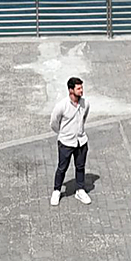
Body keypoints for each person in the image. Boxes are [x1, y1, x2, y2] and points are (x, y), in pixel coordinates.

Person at [49, 77, 91, 206]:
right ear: (71, 90)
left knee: (80, 166)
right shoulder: (62, 106)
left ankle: (80, 190)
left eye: (81, 88)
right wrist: (63, 134)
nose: (81, 91)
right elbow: (54, 123)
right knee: (62, 168)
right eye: (78, 88)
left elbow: (84, 118)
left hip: (81, 142)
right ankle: (57, 190)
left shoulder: (85, 103)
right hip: (66, 143)